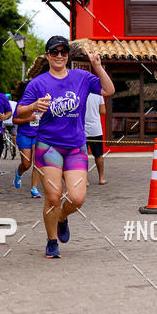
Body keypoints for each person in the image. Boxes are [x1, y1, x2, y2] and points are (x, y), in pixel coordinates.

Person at [16, 36, 114, 259]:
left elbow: (108, 90)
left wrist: (98, 66)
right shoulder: (38, 83)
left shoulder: (81, 77)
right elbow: (19, 112)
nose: (59, 56)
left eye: (63, 52)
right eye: (54, 52)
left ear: (68, 55)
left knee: (77, 198)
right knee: (53, 196)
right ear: (47, 55)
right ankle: (52, 241)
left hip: (75, 147)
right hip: (47, 146)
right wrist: (34, 105)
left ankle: (61, 218)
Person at [12, 91, 42, 198]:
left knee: (37, 162)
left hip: (38, 135)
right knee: (26, 164)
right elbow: (14, 120)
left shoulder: (43, 103)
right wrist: (30, 118)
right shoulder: (22, 104)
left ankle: (34, 189)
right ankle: (19, 173)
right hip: (24, 135)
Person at [85, 92, 107, 185]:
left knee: (82, 156)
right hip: (95, 129)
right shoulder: (99, 94)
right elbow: (103, 111)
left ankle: (85, 180)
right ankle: (101, 178)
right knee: (98, 155)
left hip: (81, 129)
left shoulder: (79, 92)